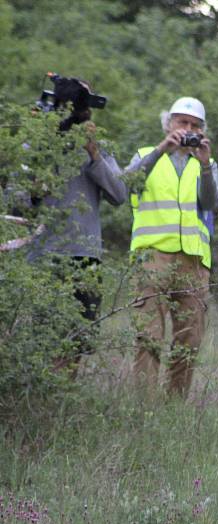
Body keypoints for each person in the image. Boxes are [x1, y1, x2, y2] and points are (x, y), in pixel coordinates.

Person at [15, 81, 127, 370]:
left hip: (85, 254)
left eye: (85, 104)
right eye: (79, 104)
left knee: (78, 338)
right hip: (45, 252)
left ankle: (60, 392)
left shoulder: (96, 145)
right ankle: (41, 394)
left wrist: (94, 154)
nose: (84, 111)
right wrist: (34, 187)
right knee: (43, 335)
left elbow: (119, 194)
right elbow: (14, 199)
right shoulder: (36, 143)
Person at [125, 97, 218, 397]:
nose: (188, 129)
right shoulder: (145, 155)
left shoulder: (205, 163)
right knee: (149, 336)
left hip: (193, 261)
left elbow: (211, 203)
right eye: (182, 122)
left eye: (194, 125)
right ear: (168, 124)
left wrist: (206, 165)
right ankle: (144, 407)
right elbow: (127, 183)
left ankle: (173, 408)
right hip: (151, 257)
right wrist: (161, 149)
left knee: (189, 339)